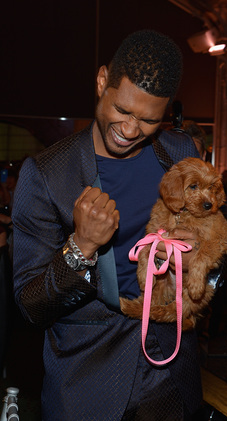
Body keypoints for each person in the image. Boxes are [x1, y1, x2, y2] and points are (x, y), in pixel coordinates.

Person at [12, 30, 204, 420]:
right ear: (102, 81)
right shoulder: (47, 174)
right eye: (123, 110)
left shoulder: (181, 153)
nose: (131, 130)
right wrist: (80, 248)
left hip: (170, 376)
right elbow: (29, 306)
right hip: (86, 383)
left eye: (149, 120)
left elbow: (218, 251)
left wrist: (199, 253)